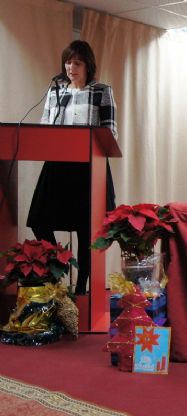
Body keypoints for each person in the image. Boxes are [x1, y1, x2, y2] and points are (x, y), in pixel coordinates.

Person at [27, 40, 117, 295]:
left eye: (77, 62)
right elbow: (45, 127)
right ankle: (58, 268)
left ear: (88, 65)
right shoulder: (55, 91)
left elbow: (110, 133)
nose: (70, 67)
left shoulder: (102, 91)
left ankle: (80, 288)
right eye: (68, 62)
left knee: (85, 229)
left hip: (88, 168)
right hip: (58, 165)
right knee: (38, 220)